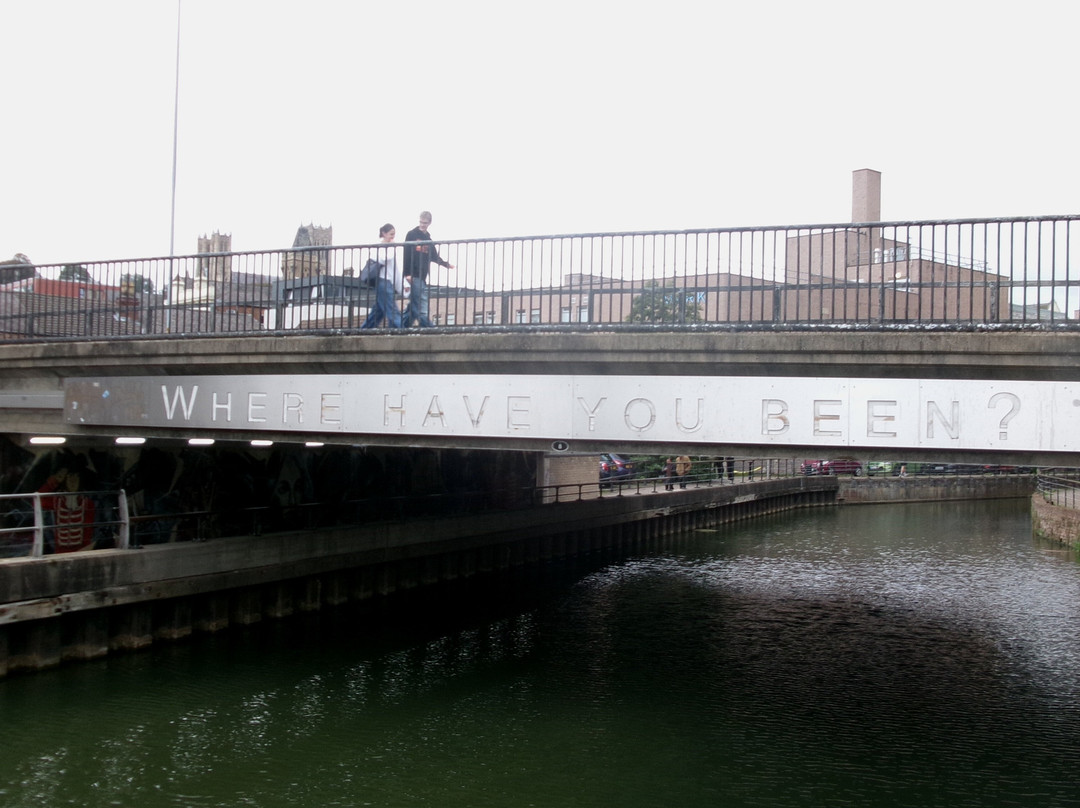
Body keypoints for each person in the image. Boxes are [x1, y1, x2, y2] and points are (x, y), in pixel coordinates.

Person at [403, 210, 454, 327]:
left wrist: (446, 264)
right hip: (413, 274)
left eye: (425, 223)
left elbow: (434, 256)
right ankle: (427, 328)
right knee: (422, 304)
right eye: (421, 222)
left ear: (429, 223)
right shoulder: (411, 234)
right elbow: (406, 254)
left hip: (422, 275)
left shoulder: (428, 239)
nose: (422, 225)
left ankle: (400, 327)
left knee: (414, 306)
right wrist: (407, 273)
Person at [361, 224, 404, 329]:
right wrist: (392, 247)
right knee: (392, 310)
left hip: (386, 281)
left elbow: (394, 269)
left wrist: (400, 285)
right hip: (382, 281)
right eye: (391, 234)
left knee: (378, 311)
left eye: (394, 234)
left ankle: (364, 329)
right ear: (384, 234)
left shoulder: (386, 247)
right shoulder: (379, 247)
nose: (393, 237)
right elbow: (384, 258)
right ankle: (402, 331)